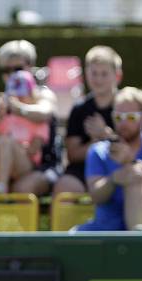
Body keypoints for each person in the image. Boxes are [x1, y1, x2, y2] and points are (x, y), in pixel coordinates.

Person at [76, 87, 142, 231]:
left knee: (135, 177)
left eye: (130, 117)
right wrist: (114, 179)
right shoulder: (98, 151)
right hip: (107, 228)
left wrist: (135, 164)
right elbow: (95, 196)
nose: (123, 123)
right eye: (118, 117)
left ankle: (137, 242)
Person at [0, 39, 58, 195]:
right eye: (7, 70)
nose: (13, 74)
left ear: (30, 67)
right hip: (1, 160)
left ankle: (1, 186)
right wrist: (0, 112)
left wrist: (18, 108)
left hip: (37, 165)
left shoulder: (42, 95)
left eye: (18, 68)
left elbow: (45, 112)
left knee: (21, 187)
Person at [55, 45, 122, 197]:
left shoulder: (127, 105)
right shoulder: (79, 109)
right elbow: (72, 154)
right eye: (94, 73)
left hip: (118, 167)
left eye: (104, 74)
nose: (98, 79)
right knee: (64, 187)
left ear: (117, 75)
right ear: (86, 74)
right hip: (82, 170)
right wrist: (96, 143)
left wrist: (106, 135)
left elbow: (135, 147)